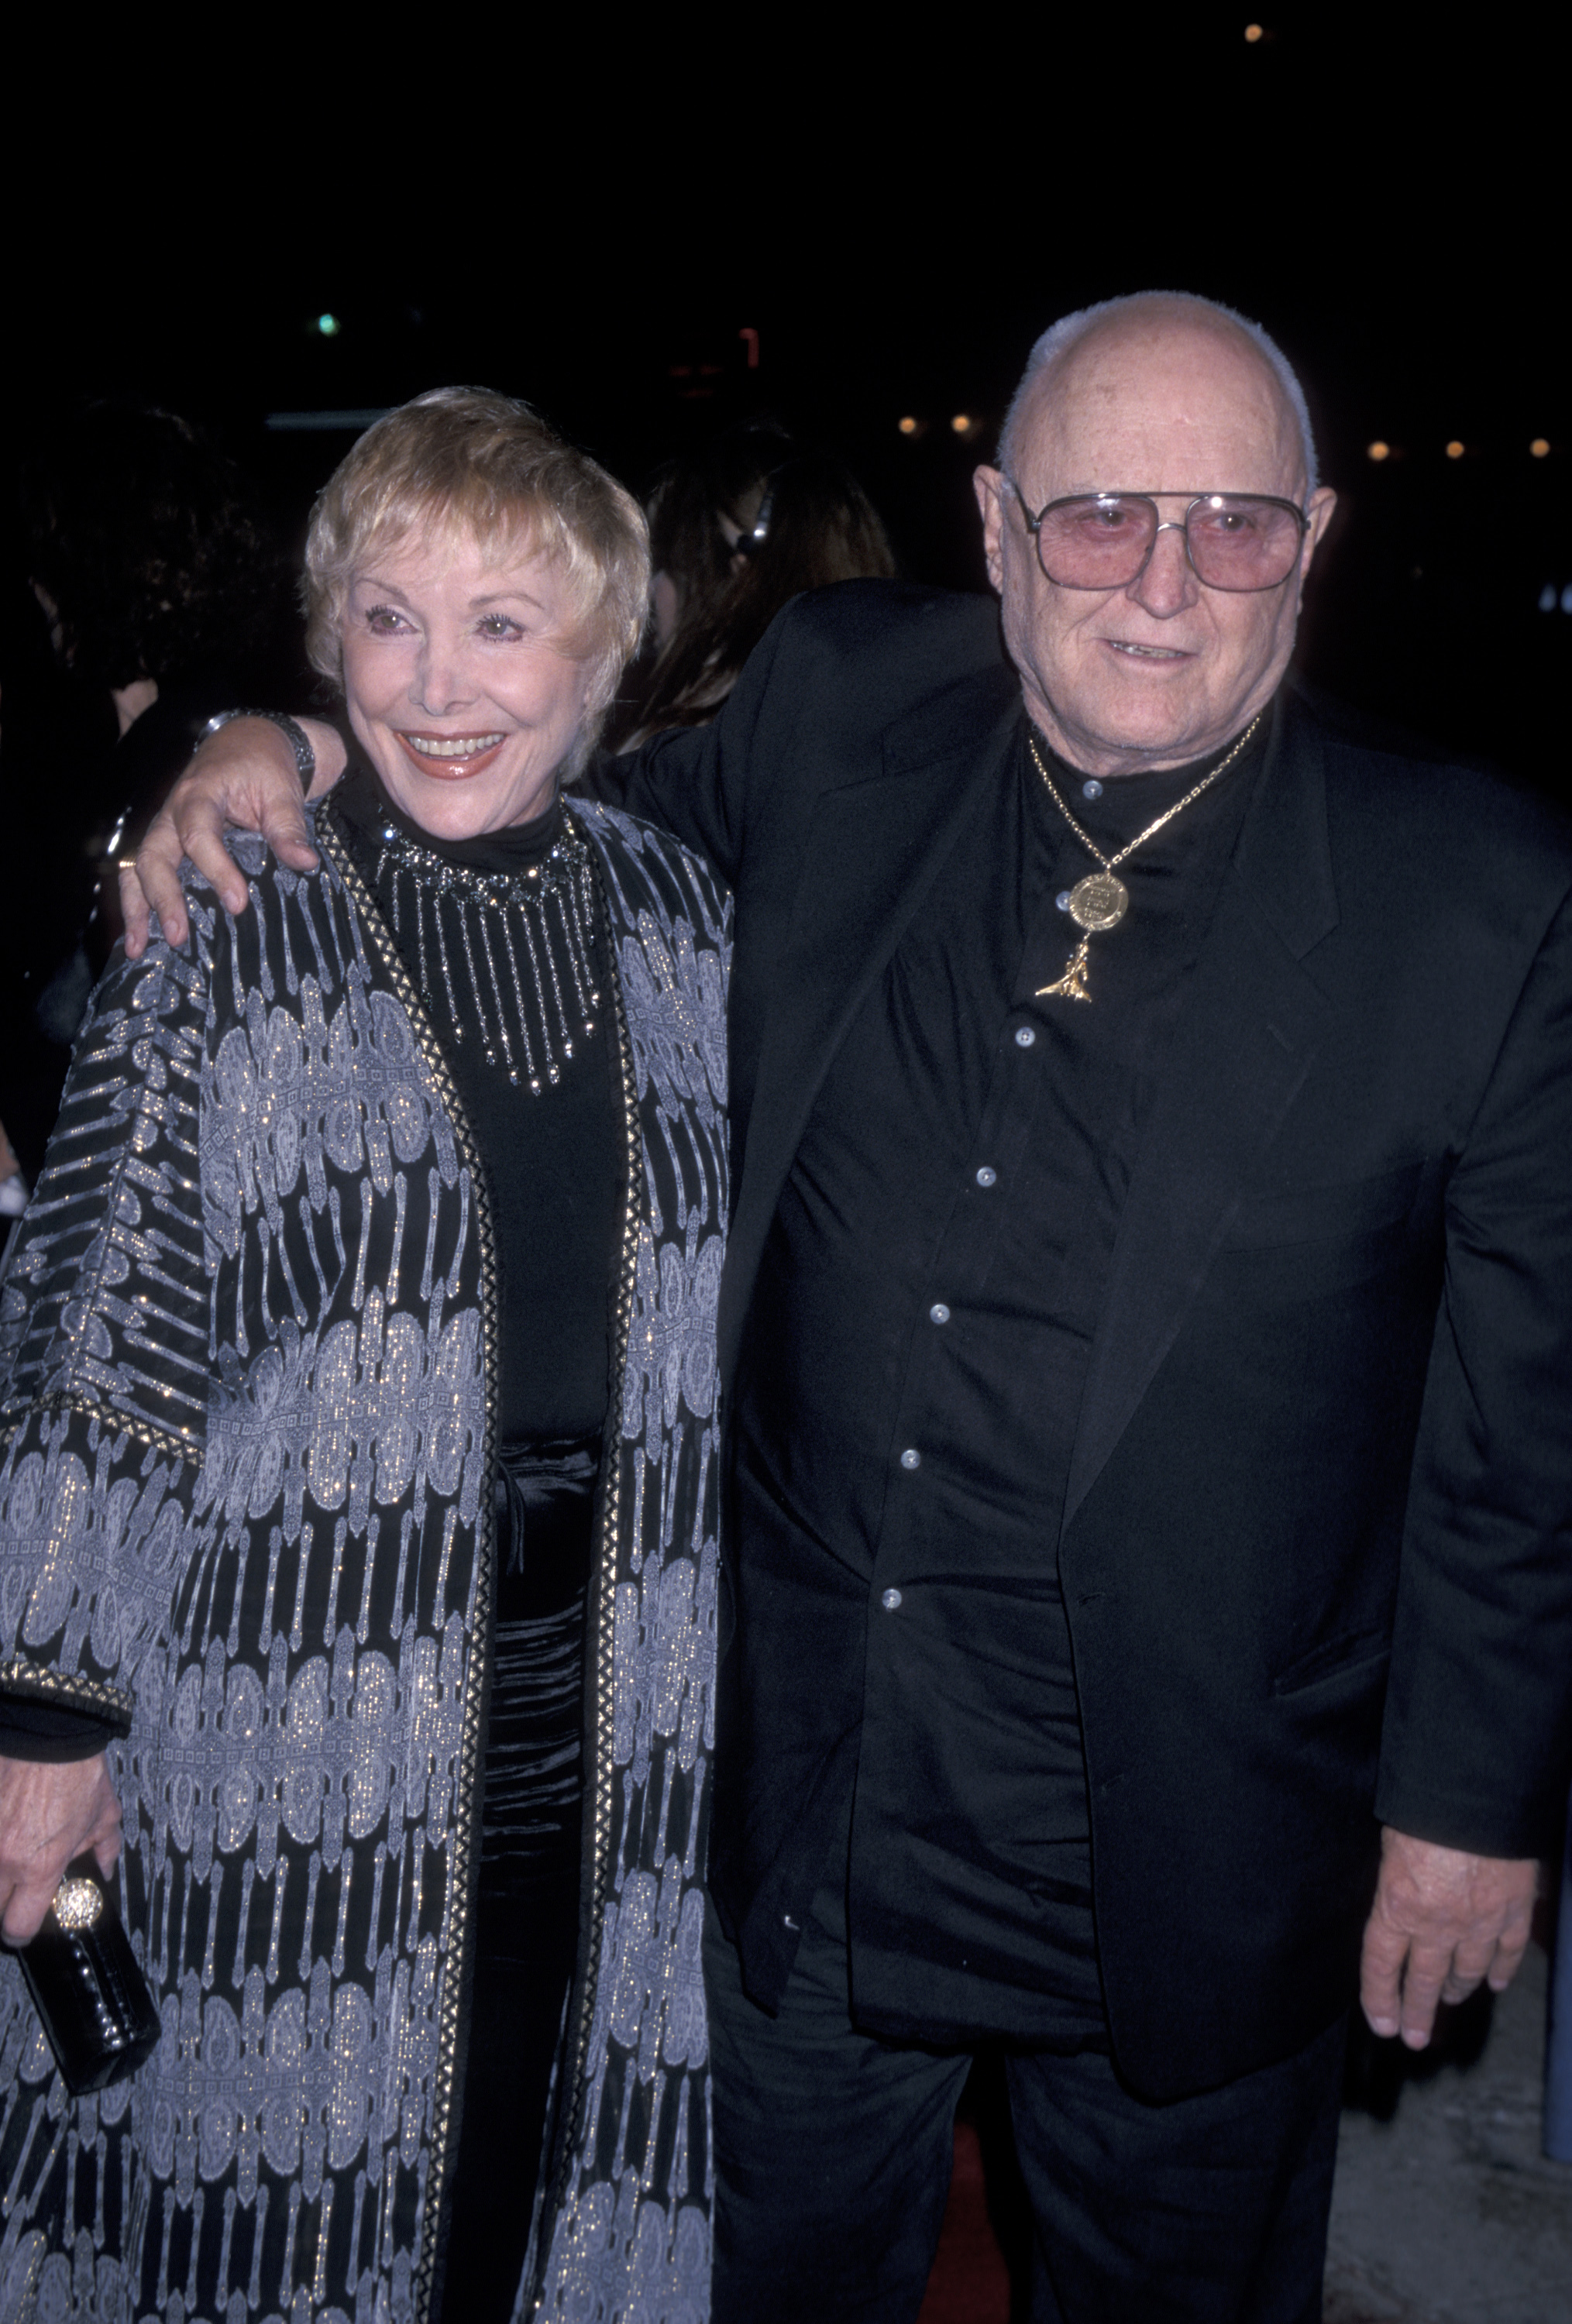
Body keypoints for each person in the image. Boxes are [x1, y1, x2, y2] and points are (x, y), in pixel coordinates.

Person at [124, 294, 1572, 2324]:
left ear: (1311, 538)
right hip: (800, 1789)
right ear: (990, 529)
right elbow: (527, 789)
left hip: (1186, 1825)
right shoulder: (833, 705)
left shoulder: (1477, 896)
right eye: (1095, 519)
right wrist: (260, 732)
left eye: (1231, 523)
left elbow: (1521, 1430)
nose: (1160, 584)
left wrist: (1462, 1810)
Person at [0, 387, 728, 2323]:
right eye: (388, 617)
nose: (438, 679)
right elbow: (97, 1332)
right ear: (328, 638)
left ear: (601, 657)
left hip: (617, 1714)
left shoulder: (682, 920)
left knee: (536, 2170)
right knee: (284, 2194)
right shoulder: (232, 906)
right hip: (289, 1716)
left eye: (503, 623)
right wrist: (47, 1729)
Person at [605, 419, 896, 751]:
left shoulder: (694, 745)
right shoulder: (884, 701)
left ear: (741, 565)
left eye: (664, 563)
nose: (649, 590)